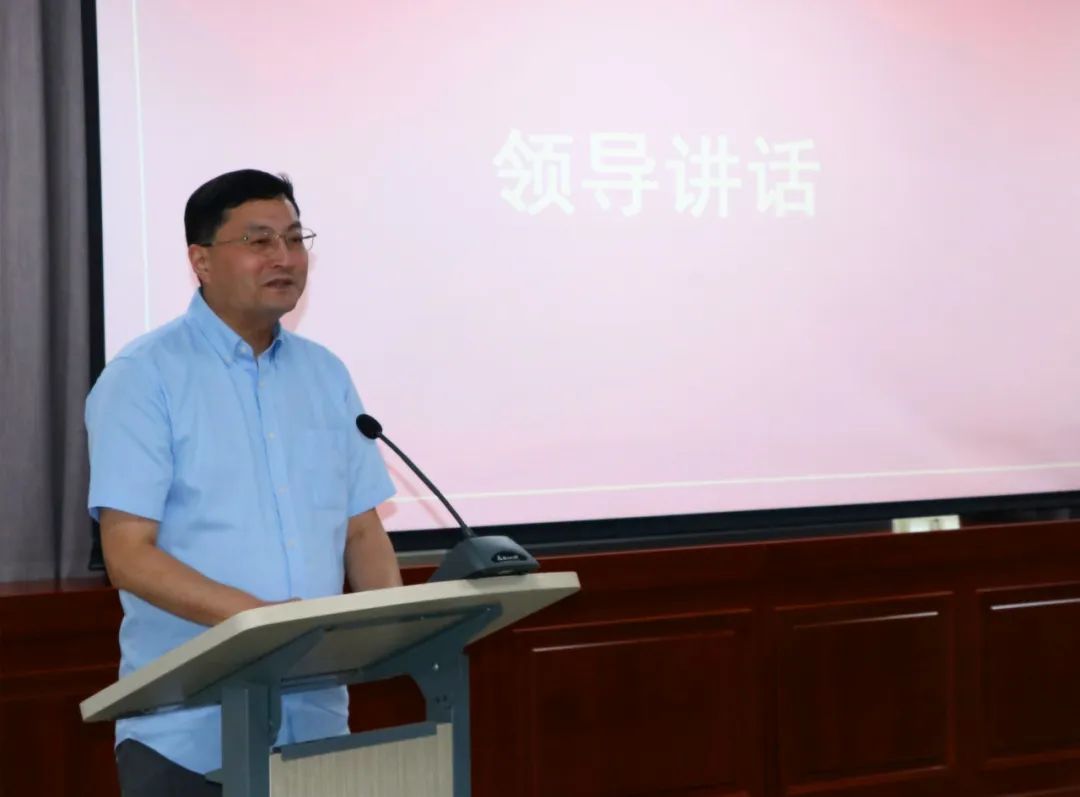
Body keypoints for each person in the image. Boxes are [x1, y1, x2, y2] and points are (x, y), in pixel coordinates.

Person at [85, 169, 402, 797]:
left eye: (295, 238)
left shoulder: (325, 374)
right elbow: (128, 556)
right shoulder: (143, 377)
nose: (284, 257)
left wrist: (394, 627)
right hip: (189, 734)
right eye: (259, 241)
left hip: (316, 727)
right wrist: (263, 624)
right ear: (201, 261)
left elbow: (361, 531)